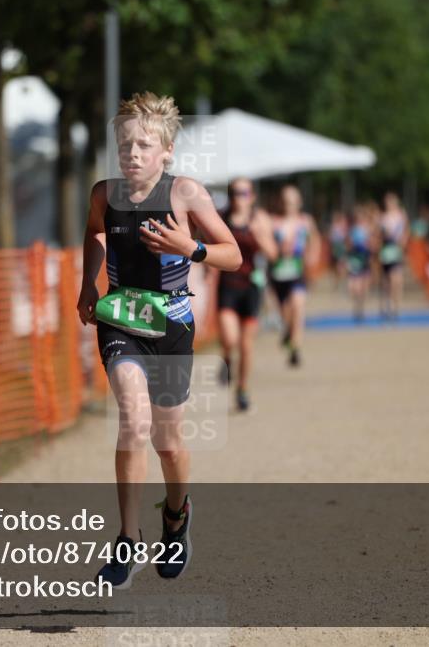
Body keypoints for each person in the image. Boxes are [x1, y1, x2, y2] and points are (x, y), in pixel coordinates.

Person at [76, 92, 240, 589]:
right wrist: (88, 283)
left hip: (172, 327)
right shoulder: (105, 194)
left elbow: (232, 255)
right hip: (121, 319)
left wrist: (190, 248)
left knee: (168, 441)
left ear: (166, 150)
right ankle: (128, 540)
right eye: (125, 144)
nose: (132, 153)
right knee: (133, 418)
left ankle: (177, 515)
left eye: (144, 145)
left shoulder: (185, 193)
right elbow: (94, 232)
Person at [216, 177, 277, 412]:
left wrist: (259, 236)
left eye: (243, 193)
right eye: (233, 192)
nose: (237, 198)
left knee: (246, 344)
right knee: (229, 339)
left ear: (252, 196)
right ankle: (227, 359)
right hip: (228, 285)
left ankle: (242, 389)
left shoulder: (259, 219)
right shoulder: (222, 218)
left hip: (252, 287)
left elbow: (273, 255)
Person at [268, 184, 319, 367]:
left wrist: (312, 258)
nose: (288, 204)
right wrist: (276, 251)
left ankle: (295, 350)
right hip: (278, 274)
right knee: (286, 315)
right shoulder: (273, 222)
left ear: (299, 202)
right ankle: (288, 333)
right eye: (285, 200)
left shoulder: (305, 221)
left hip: (298, 272)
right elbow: (266, 245)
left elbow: (315, 240)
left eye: (292, 200)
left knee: (298, 306)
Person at [378, 192, 409, 320]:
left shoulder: (401, 215)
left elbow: (407, 231)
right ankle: (387, 304)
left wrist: (404, 243)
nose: (389, 204)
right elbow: (380, 235)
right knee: (387, 281)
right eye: (387, 202)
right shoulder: (383, 217)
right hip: (386, 251)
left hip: (397, 251)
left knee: (397, 280)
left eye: (391, 201)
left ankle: (396, 307)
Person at [346, 205, 373, 321]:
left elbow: (373, 244)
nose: (359, 220)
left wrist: (368, 245)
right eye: (357, 218)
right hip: (354, 260)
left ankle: (361, 309)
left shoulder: (368, 229)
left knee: (364, 288)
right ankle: (357, 307)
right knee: (354, 287)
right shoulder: (351, 230)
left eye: (361, 218)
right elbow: (347, 245)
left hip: (365, 259)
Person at [328, 210, 349, 290]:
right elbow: (331, 238)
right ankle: (337, 281)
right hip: (335, 248)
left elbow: (347, 239)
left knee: (341, 265)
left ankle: (340, 280)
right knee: (336, 267)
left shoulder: (344, 228)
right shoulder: (334, 227)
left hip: (341, 249)